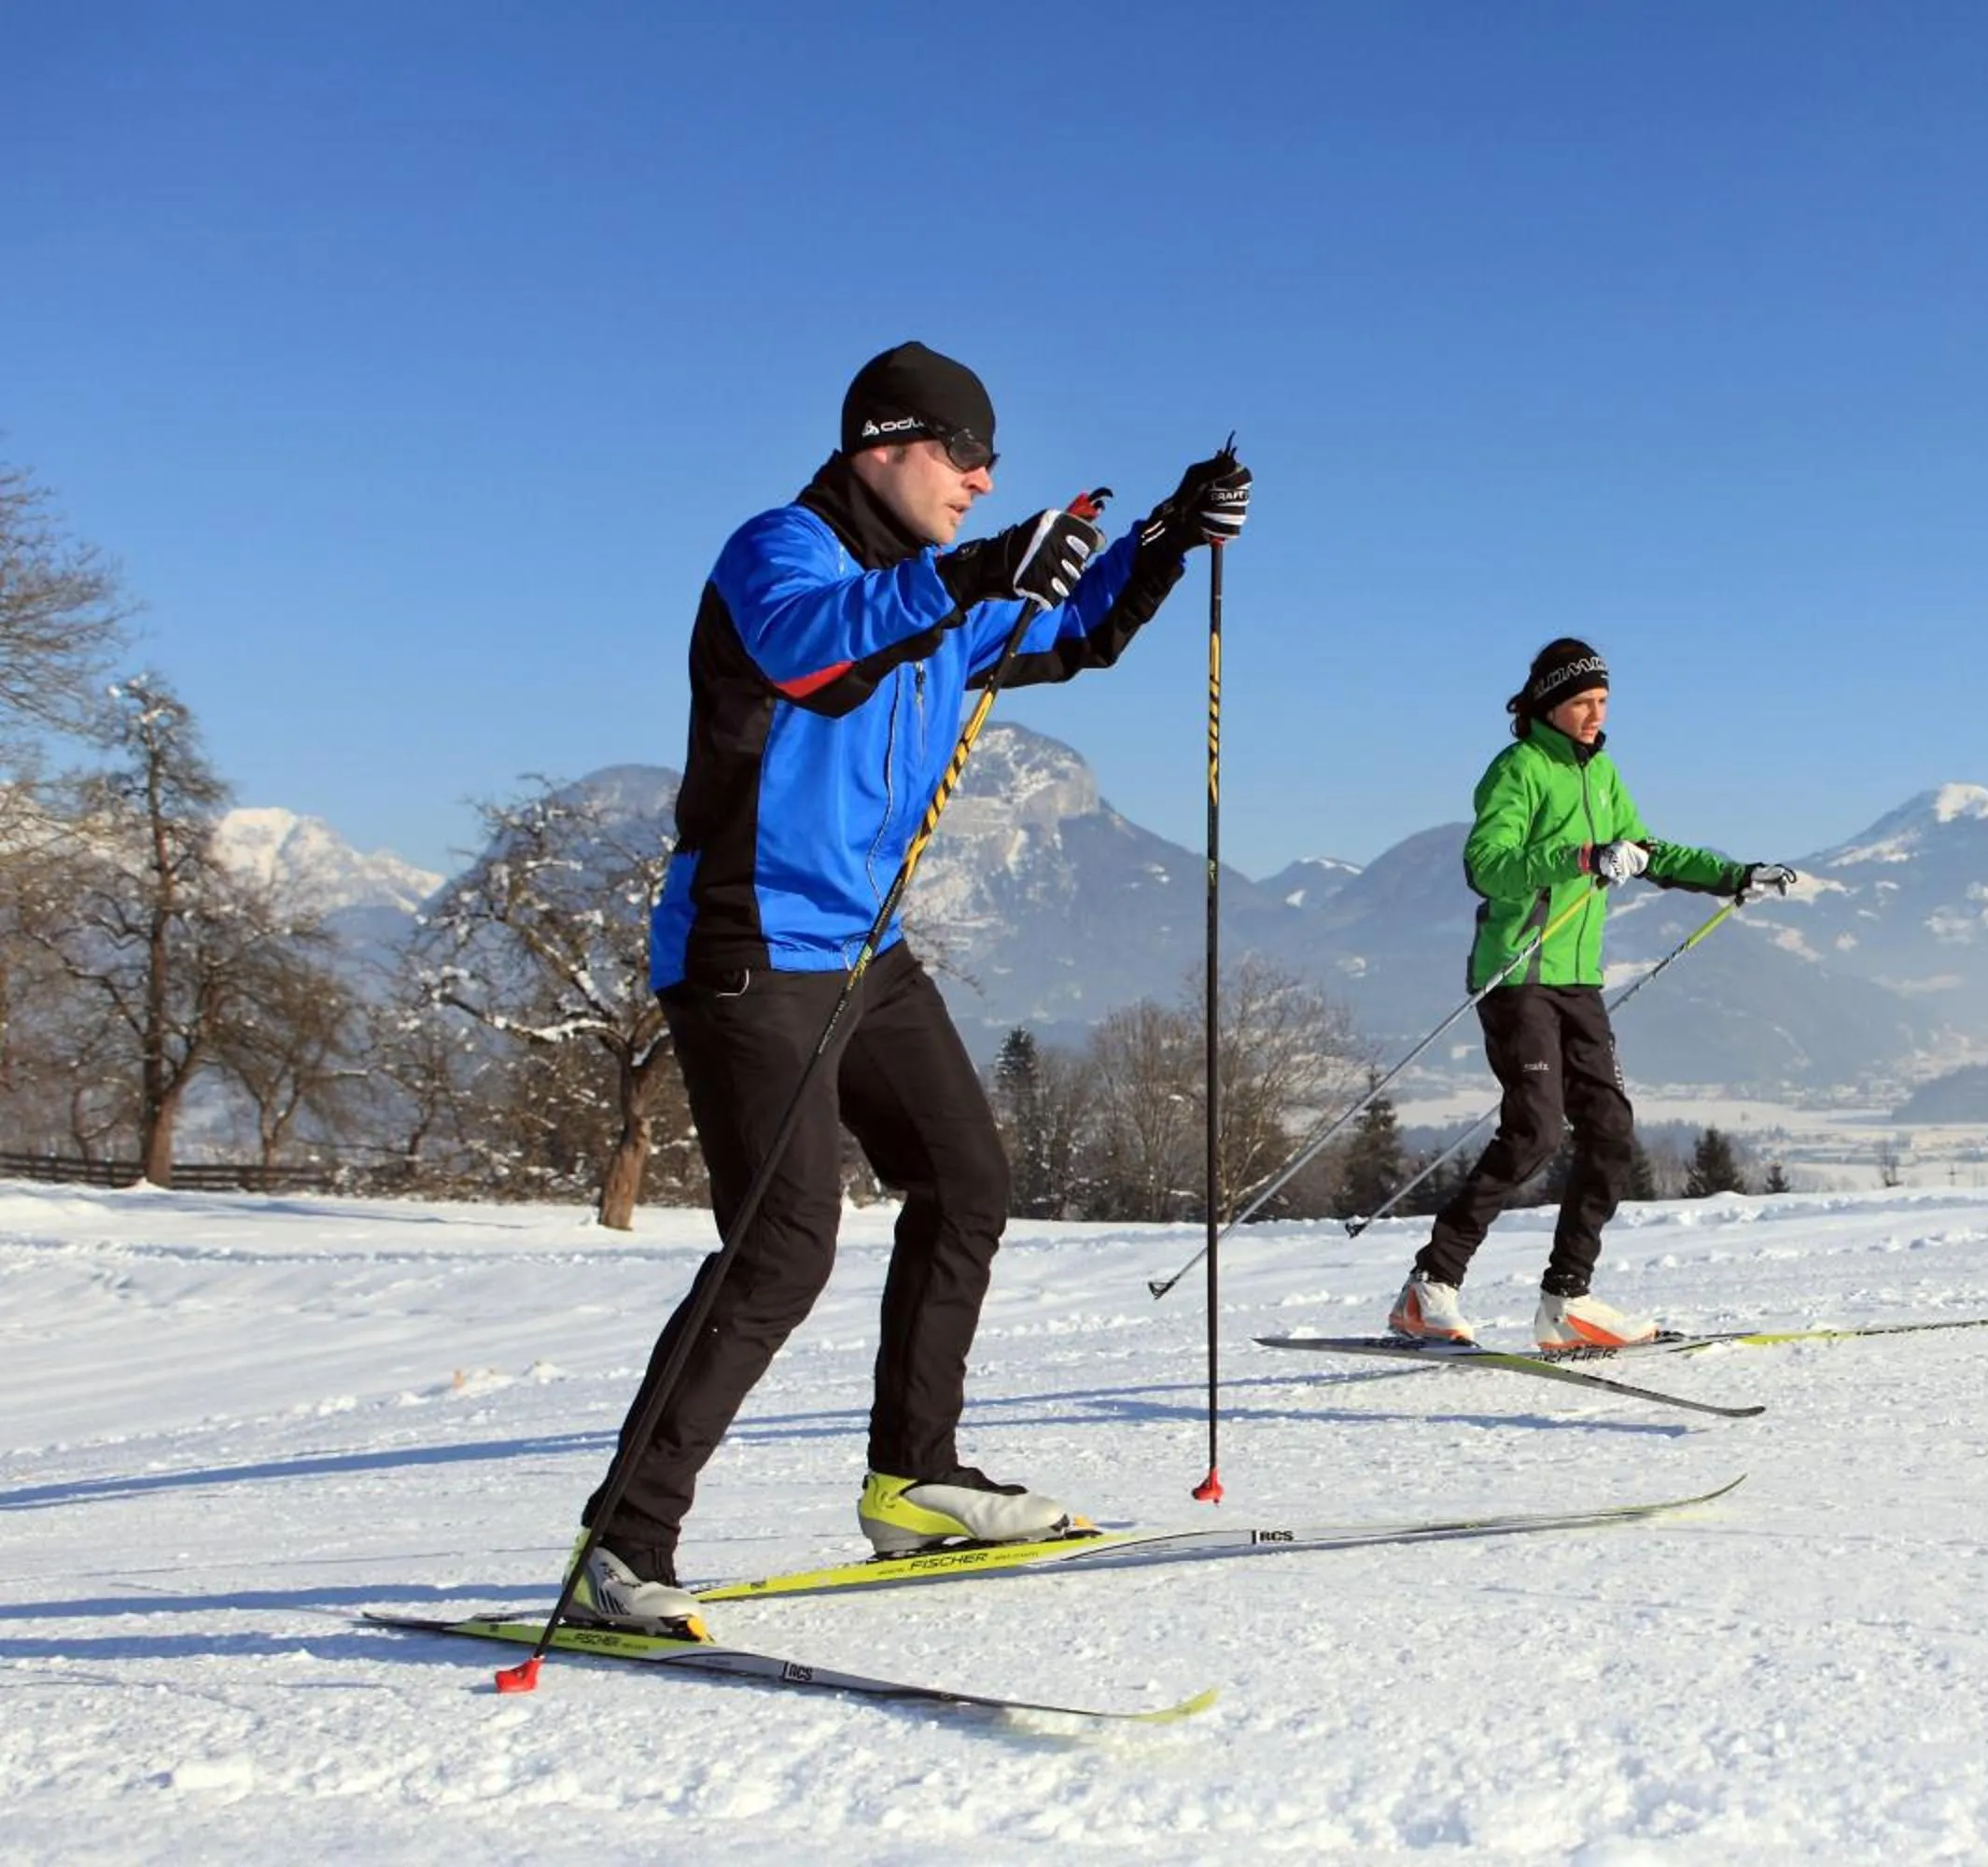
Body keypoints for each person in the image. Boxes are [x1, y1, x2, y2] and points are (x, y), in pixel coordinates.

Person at [572, 341, 1250, 1632]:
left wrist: (1166, 532)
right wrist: (974, 573)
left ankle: (912, 1479)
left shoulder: (942, 584)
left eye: (995, 468)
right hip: (748, 947)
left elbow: (1080, 628)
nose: (985, 483)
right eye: (966, 457)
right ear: (885, 444)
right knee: (782, 1250)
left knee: (968, 1179)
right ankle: (623, 1544)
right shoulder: (782, 552)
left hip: (862, 953)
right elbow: (811, 654)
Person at [1389, 638, 1794, 1353]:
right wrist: (1582, 856)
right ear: (1548, 702)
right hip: (1517, 976)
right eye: (1581, 701)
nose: (1593, 714)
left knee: (1609, 1131)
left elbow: (1650, 851)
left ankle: (1566, 1301)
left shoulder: (1602, 772)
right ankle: (1431, 1286)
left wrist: (1736, 876)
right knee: (1536, 1131)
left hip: (1578, 980)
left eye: (1602, 702)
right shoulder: (1518, 769)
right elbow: (1487, 865)